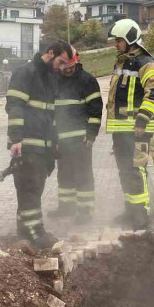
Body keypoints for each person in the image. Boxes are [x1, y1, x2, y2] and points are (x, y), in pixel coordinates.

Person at [6, 40, 73, 248]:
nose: (62, 68)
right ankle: (36, 233)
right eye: (60, 61)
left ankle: (24, 233)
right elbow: (14, 107)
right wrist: (16, 139)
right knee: (30, 189)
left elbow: (50, 116)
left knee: (34, 190)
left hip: (43, 147)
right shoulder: (25, 73)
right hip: (27, 145)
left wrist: (54, 144)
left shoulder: (50, 78)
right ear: (50, 53)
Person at [106, 19, 154, 230]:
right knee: (124, 171)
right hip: (121, 130)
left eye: (119, 40)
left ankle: (141, 215)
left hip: (138, 129)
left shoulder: (146, 62)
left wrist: (142, 118)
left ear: (130, 39)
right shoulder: (122, 63)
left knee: (136, 169)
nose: (116, 44)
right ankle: (130, 210)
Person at [49, 48, 103, 224]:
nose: (67, 69)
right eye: (64, 65)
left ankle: (85, 211)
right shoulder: (56, 80)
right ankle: (66, 207)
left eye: (70, 65)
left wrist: (92, 134)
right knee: (64, 174)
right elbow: (52, 112)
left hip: (81, 139)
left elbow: (95, 109)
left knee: (83, 174)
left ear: (77, 61)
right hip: (62, 139)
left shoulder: (87, 80)